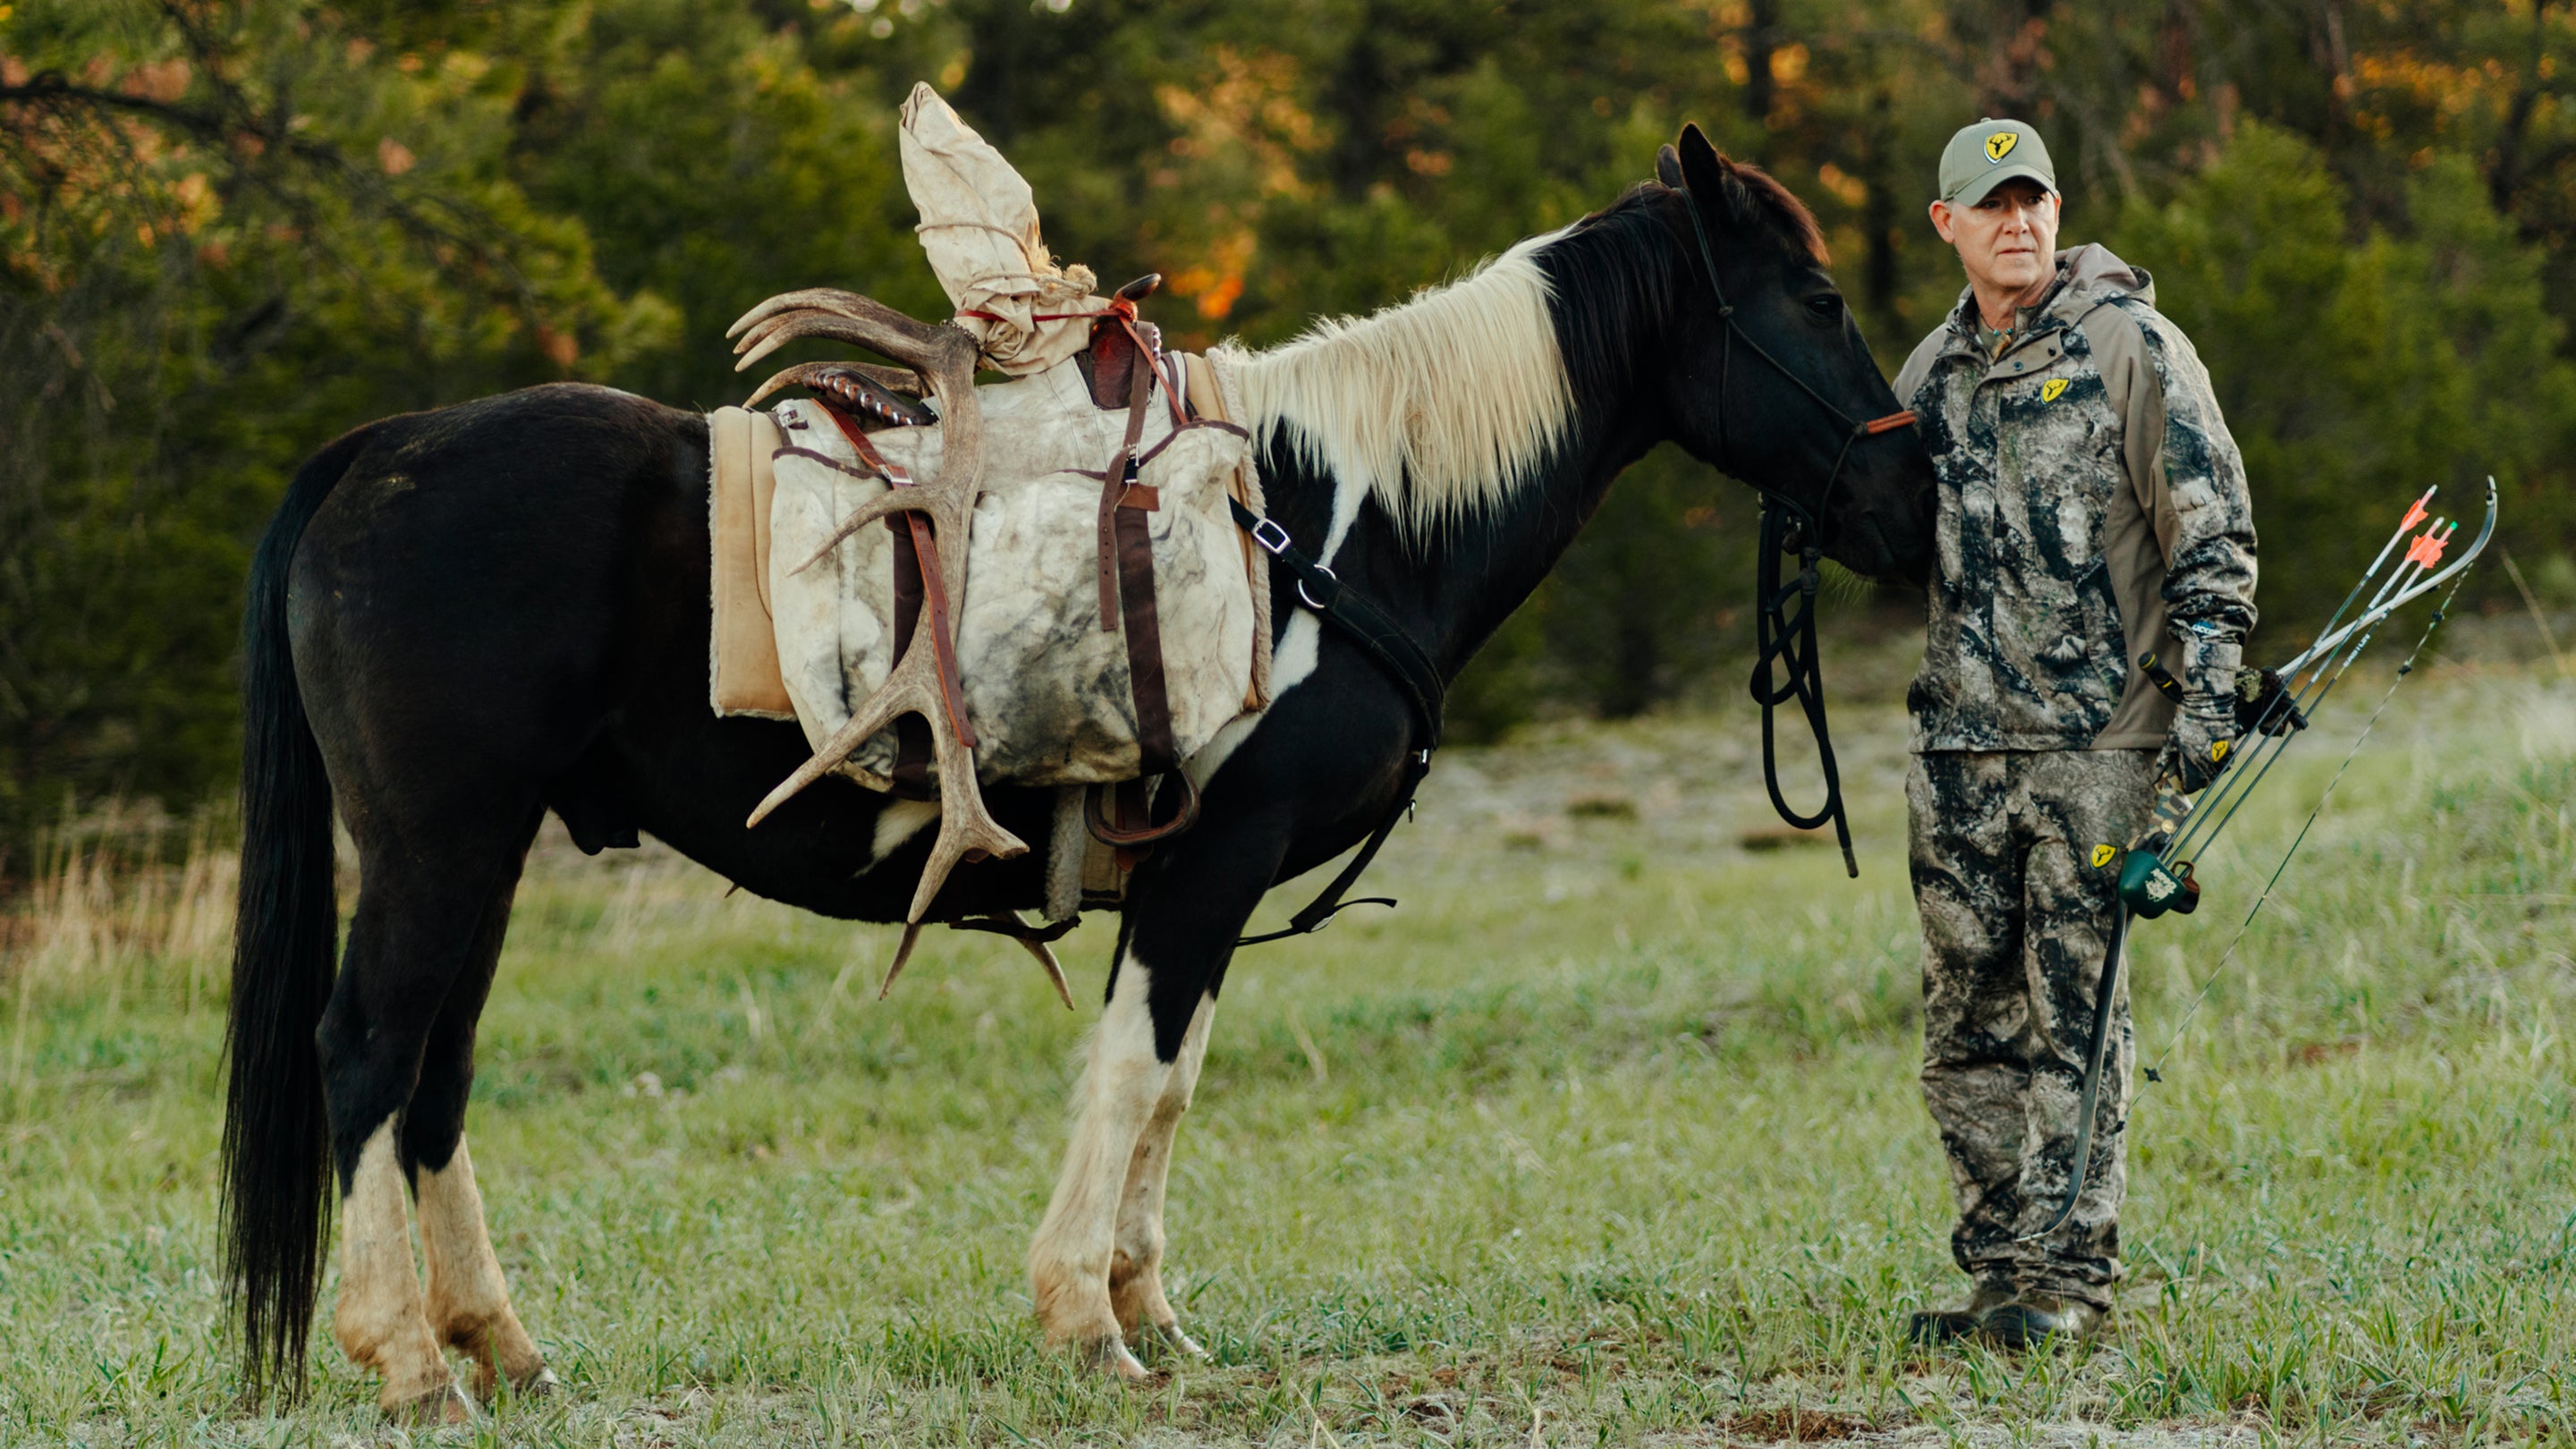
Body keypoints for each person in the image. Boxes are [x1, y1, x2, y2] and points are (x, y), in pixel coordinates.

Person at [1887, 119, 2258, 1348]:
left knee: (2076, 1020)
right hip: (1958, 758)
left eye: (2033, 199)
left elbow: (2213, 540)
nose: (2017, 222)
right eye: (1990, 204)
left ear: (2058, 208)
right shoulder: (1927, 375)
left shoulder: (2131, 345)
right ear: (1946, 223)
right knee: (1967, 1024)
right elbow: (1887, 545)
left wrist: (2207, 707)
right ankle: (1998, 1276)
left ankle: (2068, 1283)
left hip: (2100, 750)